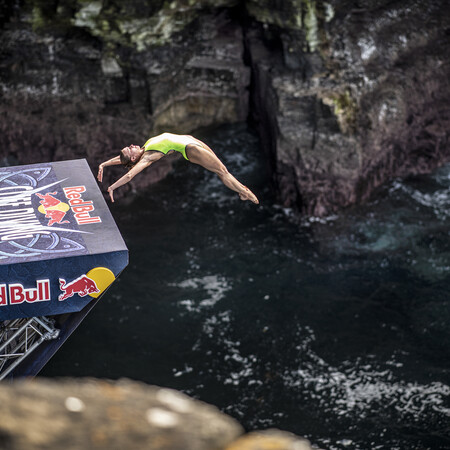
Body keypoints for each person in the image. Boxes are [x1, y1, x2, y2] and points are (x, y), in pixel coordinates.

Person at [97, 132, 259, 204]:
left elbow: (122, 159)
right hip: (189, 149)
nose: (131, 145)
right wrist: (112, 187)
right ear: (134, 157)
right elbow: (129, 175)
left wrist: (104, 164)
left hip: (190, 140)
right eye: (129, 148)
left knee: (222, 168)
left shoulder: (144, 148)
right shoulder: (147, 156)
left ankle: (241, 191)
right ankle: (246, 193)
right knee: (222, 171)